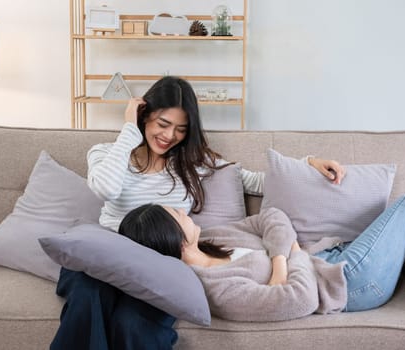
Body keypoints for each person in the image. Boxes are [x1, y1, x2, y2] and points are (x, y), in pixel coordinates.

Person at [50, 75, 347, 349]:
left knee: (134, 323)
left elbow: (258, 182)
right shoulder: (107, 153)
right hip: (106, 252)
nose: (169, 136)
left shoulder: (192, 163)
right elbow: (105, 189)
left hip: (159, 263)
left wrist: (308, 163)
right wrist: (129, 130)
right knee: (89, 295)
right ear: (144, 117)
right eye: (162, 124)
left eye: (180, 129)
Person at [117, 195, 405, 322]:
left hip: (326, 258)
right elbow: (299, 299)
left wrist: (282, 259)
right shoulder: (215, 288)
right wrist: (292, 252)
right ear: (170, 236)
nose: (183, 209)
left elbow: (270, 216)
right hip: (348, 282)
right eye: (175, 213)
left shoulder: (210, 239)